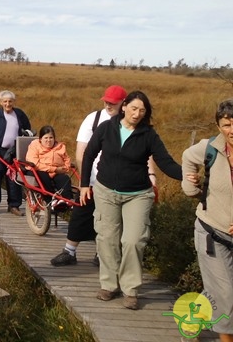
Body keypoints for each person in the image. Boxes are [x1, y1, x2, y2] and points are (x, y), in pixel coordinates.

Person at [79, 90, 182, 310]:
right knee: (107, 239)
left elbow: (166, 162)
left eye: (142, 110)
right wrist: (84, 185)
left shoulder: (148, 135)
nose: (137, 114)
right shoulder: (106, 128)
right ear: (124, 106)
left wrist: (188, 174)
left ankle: (131, 289)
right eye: (134, 108)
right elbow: (89, 154)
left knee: (134, 241)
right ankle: (109, 284)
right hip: (106, 191)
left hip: (138, 194)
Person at [50, 85, 127, 267]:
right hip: (93, 179)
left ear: (123, 103)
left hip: (119, 182)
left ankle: (101, 254)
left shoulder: (129, 122)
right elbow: (81, 151)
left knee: (111, 220)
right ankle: (69, 251)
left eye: (112, 103)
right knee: (81, 213)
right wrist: (85, 179)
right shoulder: (94, 119)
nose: (108, 105)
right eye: (106, 101)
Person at [182, 99, 233, 341]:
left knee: (221, 289)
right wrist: (191, 187)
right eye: (226, 125)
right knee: (227, 293)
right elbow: (187, 156)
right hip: (212, 230)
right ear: (218, 125)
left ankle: (194, 313)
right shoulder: (211, 147)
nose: (231, 130)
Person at [0, 90, 32, 217]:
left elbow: (28, 129)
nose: (8, 104)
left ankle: (14, 206)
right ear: (0, 102)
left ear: (13, 102)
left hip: (14, 153)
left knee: (14, 179)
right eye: (5, 101)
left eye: (10, 101)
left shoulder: (19, 114)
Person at [26, 125, 73, 207]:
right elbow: (34, 162)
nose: (49, 140)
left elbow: (67, 160)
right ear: (40, 139)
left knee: (65, 178)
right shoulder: (34, 145)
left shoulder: (60, 147)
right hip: (38, 170)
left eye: (51, 138)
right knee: (43, 176)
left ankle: (66, 201)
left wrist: (65, 168)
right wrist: (54, 169)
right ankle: (51, 200)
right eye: (46, 138)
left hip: (56, 172)